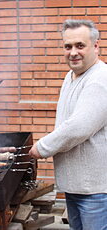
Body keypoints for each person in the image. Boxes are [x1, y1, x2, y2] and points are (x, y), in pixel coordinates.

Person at [29, 19, 107, 230]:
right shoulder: (71, 77)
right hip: (77, 187)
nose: (73, 52)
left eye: (80, 46)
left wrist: (41, 148)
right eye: (68, 46)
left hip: (96, 191)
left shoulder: (100, 79)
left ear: (96, 46)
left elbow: (78, 127)